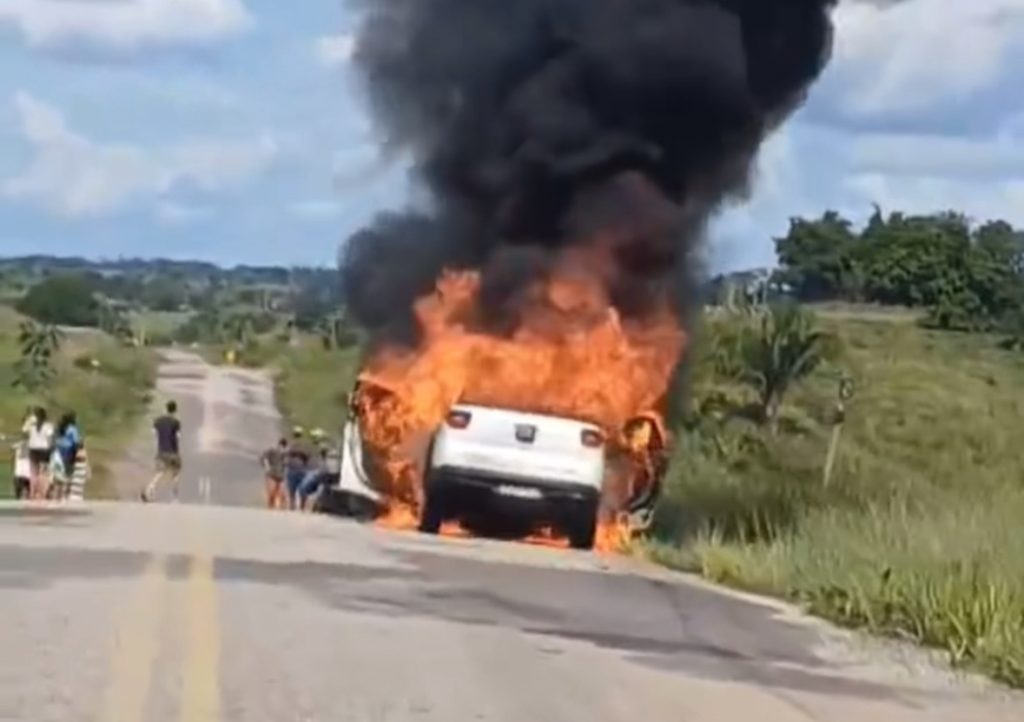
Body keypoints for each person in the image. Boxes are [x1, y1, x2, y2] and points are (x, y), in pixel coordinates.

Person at [142, 401, 182, 503]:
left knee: (160, 472)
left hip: (161, 451)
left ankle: (150, 487)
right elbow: (178, 436)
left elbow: (153, 433)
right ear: (175, 410)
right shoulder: (176, 422)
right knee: (175, 474)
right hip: (173, 452)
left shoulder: (158, 421)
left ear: (165, 408)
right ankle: (174, 497)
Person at [22, 407, 54, 500]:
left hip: (33, 448)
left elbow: (24, 431)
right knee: (43, 473)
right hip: (44, 450)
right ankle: (41, 493)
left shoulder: (32, 425)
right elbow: (50, 439)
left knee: (33, 473)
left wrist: (28, 420)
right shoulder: (48, 426)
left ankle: (32, 492)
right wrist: (51, 448)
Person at [284, 427, 311, 511]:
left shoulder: (294, 445)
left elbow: (307, 455)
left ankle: (298, 506)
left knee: (297, 489)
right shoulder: (295, 445)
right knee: (295, 489)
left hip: (298, 469)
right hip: (297, 469)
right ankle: (295, 506)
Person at [260, 438, 288, 510]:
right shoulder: (272, 450)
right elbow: (263, 457)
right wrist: (266, 466)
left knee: (281, 493)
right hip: (272, 474)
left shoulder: (286, 454)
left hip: (281, 475)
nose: (282, 448)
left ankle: (279, 507)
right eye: (282, 446)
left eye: (284, 446)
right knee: (272, 491)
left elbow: (287, 464)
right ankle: (270, 506)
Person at [55, 412, 82, 486]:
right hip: (68, 451)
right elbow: (76, 442)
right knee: (68, 473)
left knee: (58, 472)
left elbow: (56, 439)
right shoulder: (73, 429)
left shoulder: (59, 427)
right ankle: (66, 489)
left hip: (58, 450)